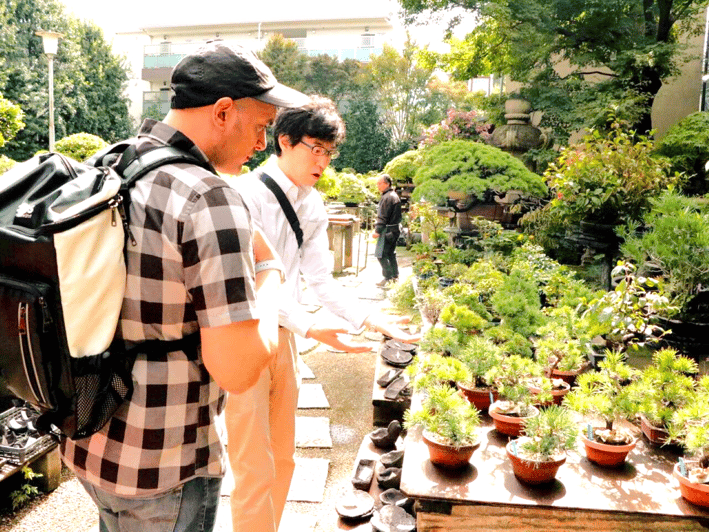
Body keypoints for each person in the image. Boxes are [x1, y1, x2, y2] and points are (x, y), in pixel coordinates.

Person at [59, 41, 310, 532]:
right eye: (260, 127)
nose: (261, 145)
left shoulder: (112, 163)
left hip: (90, 441)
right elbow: (238, 371)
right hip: (163, 465)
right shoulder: (209, 196)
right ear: (223, 112)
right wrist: (272, 274)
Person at [231, 96, 419, 532]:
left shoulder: (312, 203)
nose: (323, 161)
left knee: (284, 457)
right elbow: (244, 286)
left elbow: (321, 280)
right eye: (315, 148)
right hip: (244, 336)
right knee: (252, 463)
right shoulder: (244, 195)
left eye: (329, 152)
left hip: (286, 339)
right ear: (284, 142)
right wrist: (312, 324)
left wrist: (371, 318)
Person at [372, 173, 402, 287]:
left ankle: (388, 278)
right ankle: (395, 276)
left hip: (387, 230)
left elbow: (383, 216)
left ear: (387, 184)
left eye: (380, 183)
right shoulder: (393, 195)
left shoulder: (388, 197)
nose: (378, 186)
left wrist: (377, 231)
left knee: (381, 254)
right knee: (390, 253)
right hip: (394, 229)